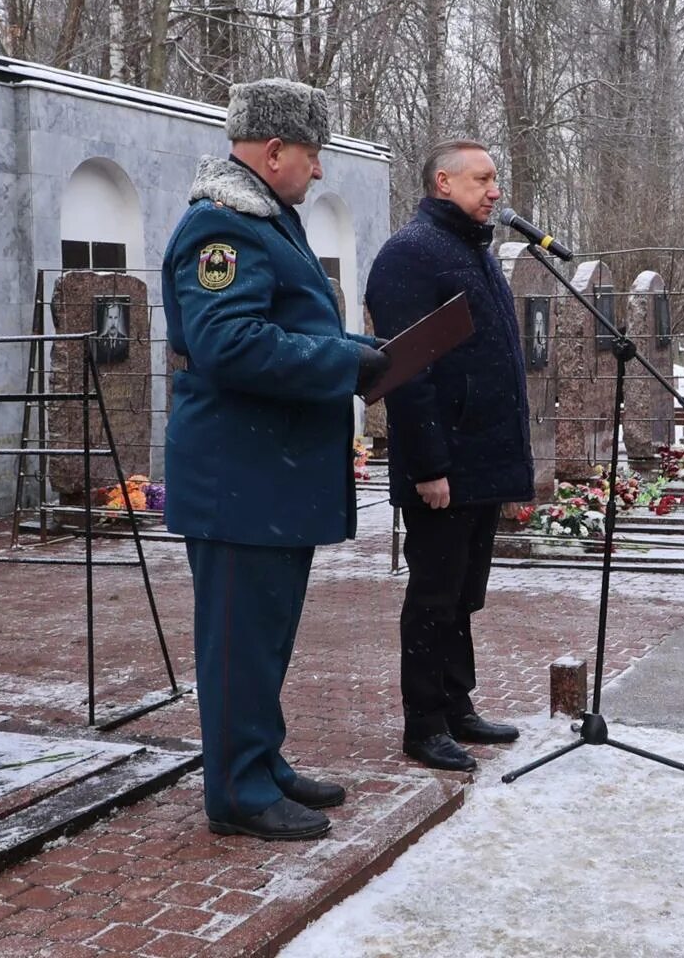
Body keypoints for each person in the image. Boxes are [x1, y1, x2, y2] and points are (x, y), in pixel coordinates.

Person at [163, 78, 388, 842]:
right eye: (313, 155)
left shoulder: (269, 221)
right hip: (240, 480)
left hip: (270, 477)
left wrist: (353, 352)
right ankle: (236, 791)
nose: (319, 171)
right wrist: (347, 363)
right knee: (238, 642)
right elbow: (229, 345)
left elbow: (283, 329)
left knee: (265, 638)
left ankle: (260, 759)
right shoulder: (219, 228)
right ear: (274, 150)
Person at [366, 139, 532, 773]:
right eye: (483, 179)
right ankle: (424, 722)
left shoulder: (470, 249)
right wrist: (429, 465)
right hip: (444, 464)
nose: (495, 190)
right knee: (434, 594)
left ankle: (457, 703)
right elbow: (408, 373)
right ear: (444, 182)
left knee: (465, 592)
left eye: (495, 178)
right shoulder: (411, 254)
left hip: (482, 459)